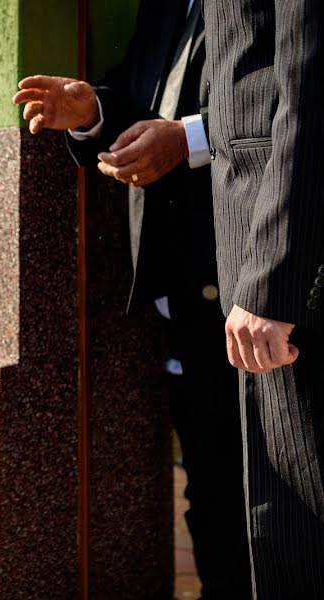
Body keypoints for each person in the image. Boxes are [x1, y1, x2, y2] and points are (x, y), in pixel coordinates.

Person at [13, 1, 251, 596]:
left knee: (272, 493)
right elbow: (141, 100)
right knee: (210, 483)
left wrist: (188, 138)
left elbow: (282, 102)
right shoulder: (165, 5)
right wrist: (91, 110)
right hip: (185, 295)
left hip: (257, 281)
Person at [204, 1, 324, 597]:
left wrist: (273, 278)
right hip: (262, 258)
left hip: (294, 276)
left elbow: (312, 79)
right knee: (278, 527)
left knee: (303, 532)